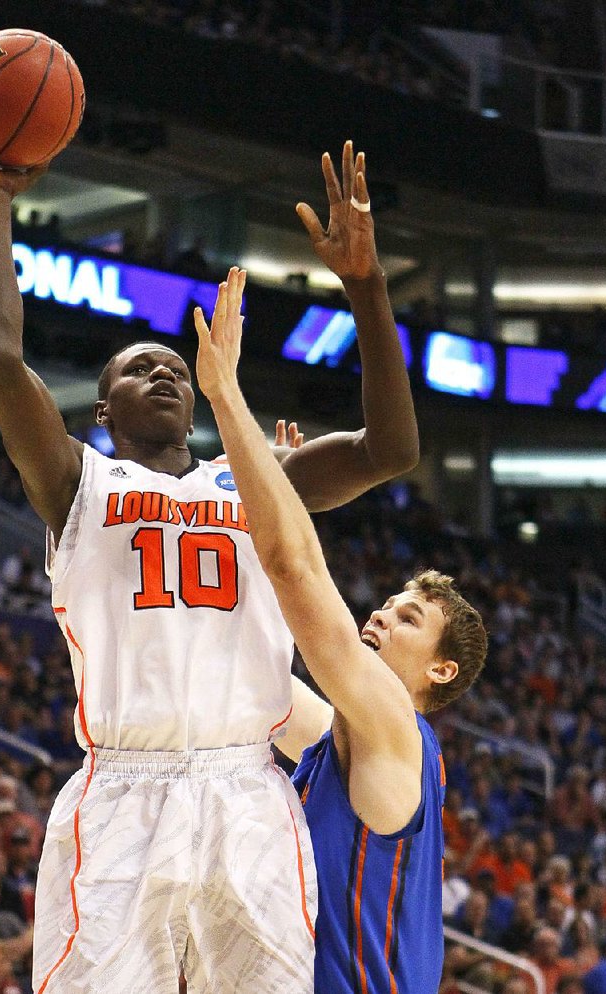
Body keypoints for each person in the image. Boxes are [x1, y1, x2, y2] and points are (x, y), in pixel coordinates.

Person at [0, 98, 418, 993]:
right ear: (101, 408)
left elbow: (390, 451)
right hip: (122, 794)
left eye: (174, 364)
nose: (162, 368)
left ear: (200, 398)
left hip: (248, 790)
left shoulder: (253, 479)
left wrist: (367, 286)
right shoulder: (79, 482)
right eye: (135, 367)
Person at [192, 262, 487, 992]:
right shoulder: (341, 738)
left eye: (410, 617)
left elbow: (296, 572)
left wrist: (227, 399)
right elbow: (252, 667)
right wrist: (265, 503)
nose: (383, 612)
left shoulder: (395, 726)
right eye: (389, 602)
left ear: (440, 670)